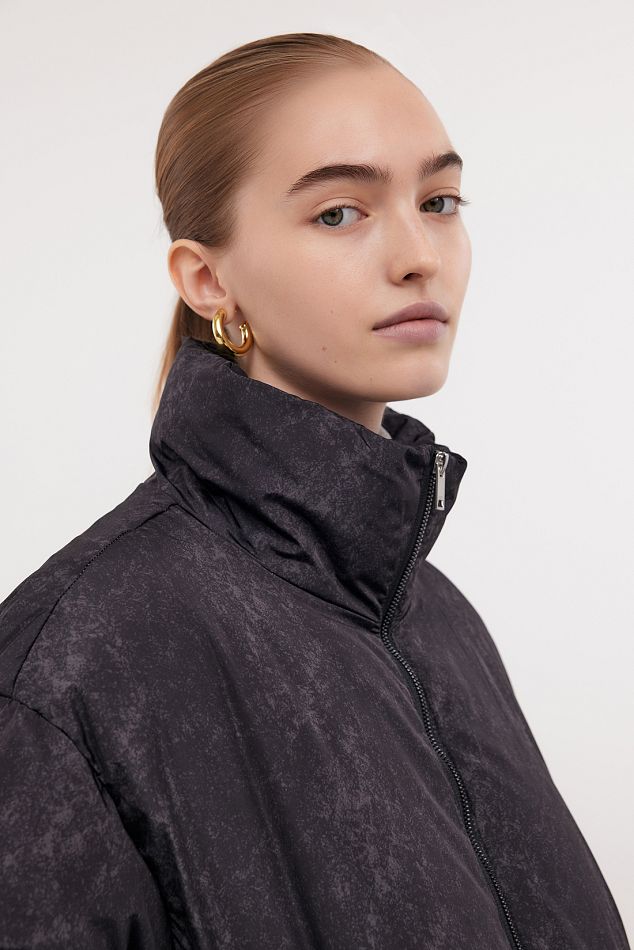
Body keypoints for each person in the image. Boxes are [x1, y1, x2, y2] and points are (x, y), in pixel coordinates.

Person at [0, 31, 629, 950]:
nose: (419, 255)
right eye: (339, 213)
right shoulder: (67, 667)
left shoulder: (437, 615)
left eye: (439, 201)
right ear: (207, 279)